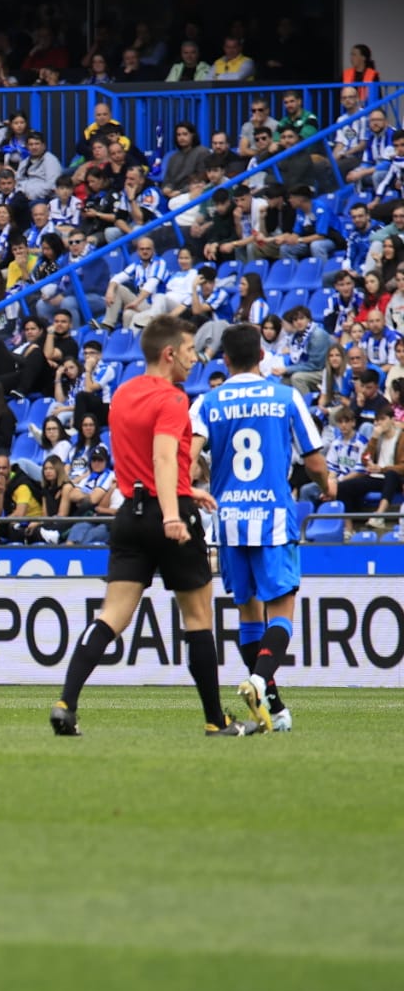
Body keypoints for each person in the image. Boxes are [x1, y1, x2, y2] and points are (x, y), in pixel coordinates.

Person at [51, 315, 259, 738]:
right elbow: (162, 457)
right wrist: (173, 512)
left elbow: (141, 461)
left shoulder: (123, 394)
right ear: (169, 354)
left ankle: (66, 703)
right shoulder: (172, 398)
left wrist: (185, 489)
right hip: (167, 514)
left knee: (111, 615)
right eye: (188, 351)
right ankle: (215, 720)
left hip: (130, 513)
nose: (194, 358)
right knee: (198, 618)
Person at [191, 324, 326, 733]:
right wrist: (328, 483)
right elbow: (314, 460)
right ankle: (259, 681)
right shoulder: (285, 396)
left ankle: (275, 708)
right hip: (272, 519)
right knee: (282, 612)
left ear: (225, 359)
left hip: (229, 522)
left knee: (249, 615)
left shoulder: (207, 402)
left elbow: (188, 458)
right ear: (262, 356)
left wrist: (198, 482)